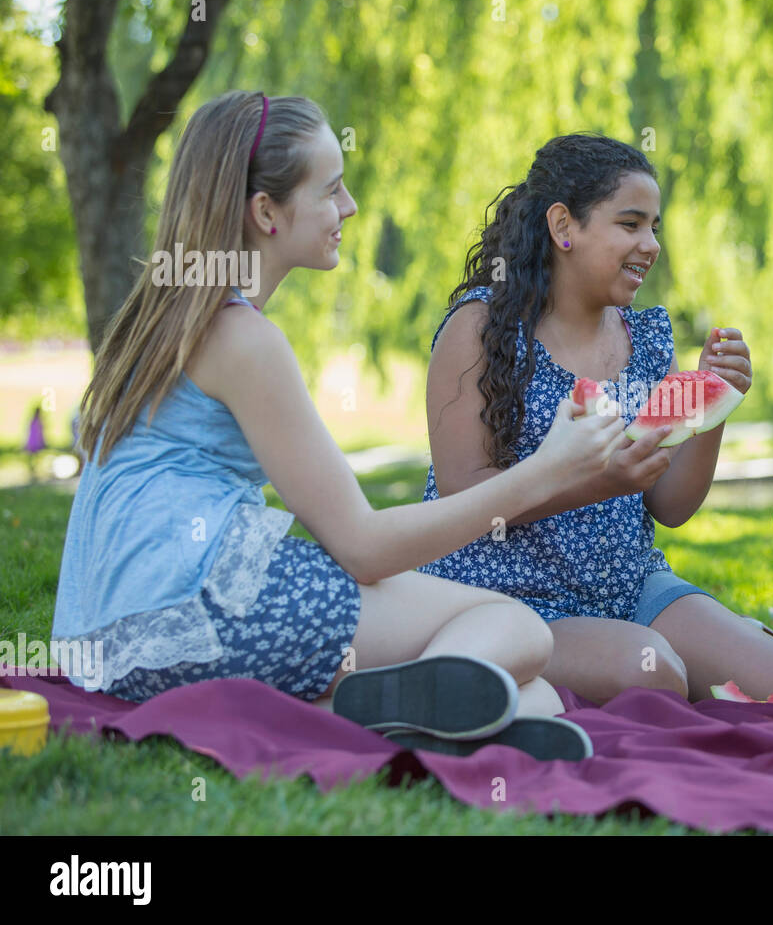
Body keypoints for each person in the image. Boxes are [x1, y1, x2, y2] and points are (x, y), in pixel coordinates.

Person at [52, 92, 626, 759]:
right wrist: (547, 470)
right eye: (330, 190)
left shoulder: (164, 317)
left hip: (109, 640)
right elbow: (362, 545)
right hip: (199, 614)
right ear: (266, 212)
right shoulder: (242, 339)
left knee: (537, 696)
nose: (349, 207)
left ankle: (406, 711)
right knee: (514, 627)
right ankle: (408, 707)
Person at [419, 133, 773, 704]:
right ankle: (464, 665)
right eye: (630, 224)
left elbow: (670, 506)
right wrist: (601, 482)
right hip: (504, 594)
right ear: (564, 226)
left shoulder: (643, 337)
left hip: (629, 584)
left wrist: (713, 403)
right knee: (651, 674)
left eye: (655, 227)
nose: (650, 244)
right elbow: (460, 498)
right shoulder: (480, 329)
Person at [24, 404, 46, 482]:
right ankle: (32, 472)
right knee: (33, 458)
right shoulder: (37, 421)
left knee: (33, 458)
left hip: (33, 442)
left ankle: (33, 472)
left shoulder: (34, 421)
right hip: (34, 442)